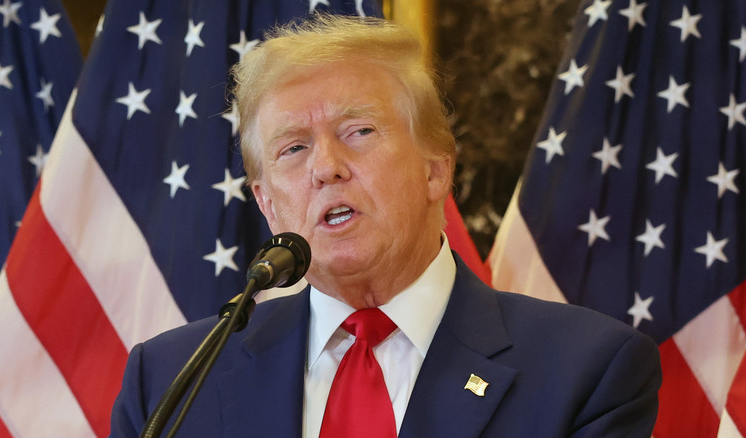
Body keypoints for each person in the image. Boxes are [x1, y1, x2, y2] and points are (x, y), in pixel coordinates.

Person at [109, 14, 661, 437]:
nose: (326, 167)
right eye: (294, 147)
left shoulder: (586, 371)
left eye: (360, 131)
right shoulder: (169, 384)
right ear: (269, 205)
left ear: (435, 169)